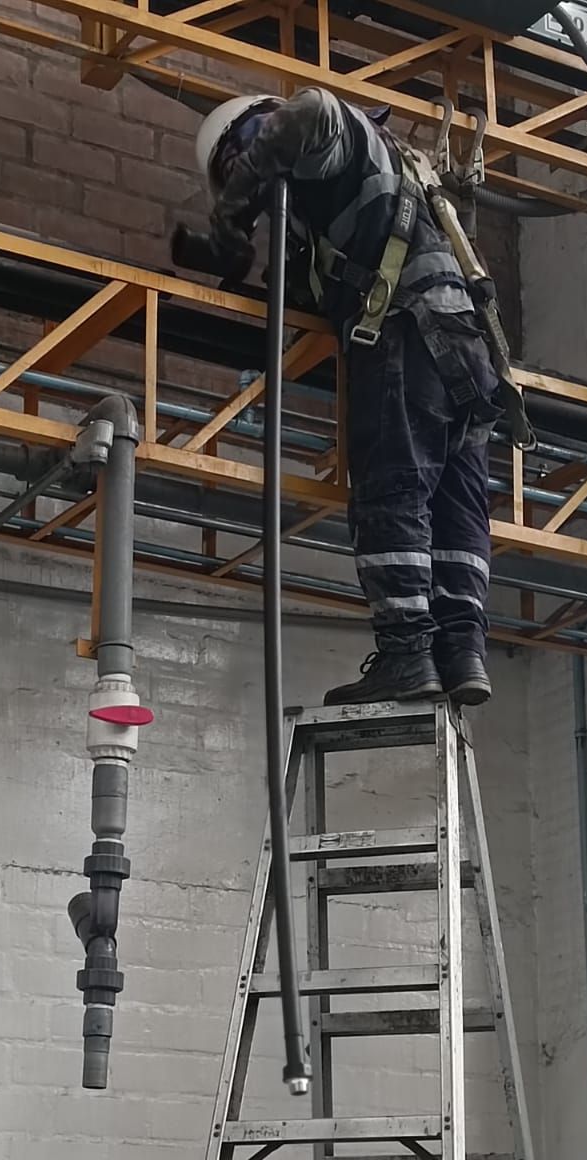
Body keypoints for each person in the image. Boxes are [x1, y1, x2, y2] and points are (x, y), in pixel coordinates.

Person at [177, 89, 504, 710]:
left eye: (237, 168)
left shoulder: (340, 143)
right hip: (468, 349)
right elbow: (316, 285)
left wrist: (228, 221)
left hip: (409, 336)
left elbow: (314, 113)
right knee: (456, 509)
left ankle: (409, 655)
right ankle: (461, 651)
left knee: (392, 493)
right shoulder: (371, 187)